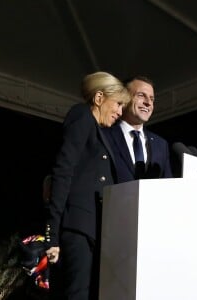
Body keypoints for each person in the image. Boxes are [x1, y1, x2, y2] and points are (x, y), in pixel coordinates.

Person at [45, 71, 130, 300]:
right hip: (78, 229)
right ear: (99, 97)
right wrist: (52, 234)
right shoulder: (82, 116)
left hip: (93, 231)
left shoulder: (100, 132)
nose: (120, 113)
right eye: (119, 104)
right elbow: (63, 172)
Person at [102, 75, 173, 182]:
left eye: (151, 99)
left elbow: (168, 186)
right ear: (124, 99)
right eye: (141, 95)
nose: (148, 103)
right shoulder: (103, 136)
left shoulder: (161, 145)